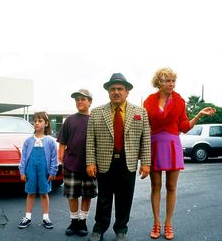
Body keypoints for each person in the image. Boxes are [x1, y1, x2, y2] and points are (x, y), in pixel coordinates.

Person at [143, 67, 216, 240]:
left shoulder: (179, 100)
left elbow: (183, 127)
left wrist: (198, 114)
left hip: (172, 144)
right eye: (167, 80)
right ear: (159, 82)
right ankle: (156, 223)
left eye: (173, 81)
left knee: (171, 187)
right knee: (155, 186)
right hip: (154, 145)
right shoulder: (149, 101)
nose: (171, 84)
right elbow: (144, 127)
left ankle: (168, 224)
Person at [86, 73, 151, 241]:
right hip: (104, 162)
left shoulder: (140, 112)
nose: (116, 92)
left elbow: (146, 140)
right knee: (104, 198)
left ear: (127, 92)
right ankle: (99, 228)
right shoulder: (96, 112)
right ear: (108, 91)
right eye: (113, 89)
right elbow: (90, 140)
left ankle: (121, 229)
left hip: (127, 162)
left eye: (120, 89)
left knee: (125, 199)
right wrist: (90, 162)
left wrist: (146, 163)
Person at [57, 89, 97, 237]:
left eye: (83, 99)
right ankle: (74, 222)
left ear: (90, 102)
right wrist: (62, 162)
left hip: (90, 166)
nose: (79, 101)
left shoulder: (95, 119)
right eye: (77, 99)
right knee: (72, 195)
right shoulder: (70, 120)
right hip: (71, 164)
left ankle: (83, 222)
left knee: (87, 195)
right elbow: (62, 143)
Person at [18, 111, 58, 229]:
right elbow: (23, 157)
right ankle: (27, 217)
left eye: (40, 121)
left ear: (46, 124)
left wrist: (53, 171)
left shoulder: (50, 141)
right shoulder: (28, 141)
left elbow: (54, 158)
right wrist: (22, 171)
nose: (36, 123)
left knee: (44, 193)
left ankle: (46, 217)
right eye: (35, 121)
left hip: (44, 171)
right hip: (30, 170)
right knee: (30, 193)